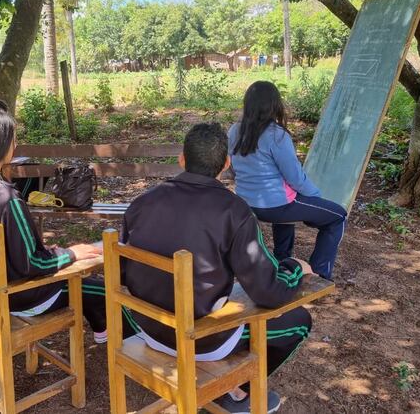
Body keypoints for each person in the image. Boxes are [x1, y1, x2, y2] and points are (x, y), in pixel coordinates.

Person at [123, 122, 314, 413]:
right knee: (299, 320)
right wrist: (295, 269)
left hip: (147, 326)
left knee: (230, 293)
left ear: (182, 159)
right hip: (200, 338)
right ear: (226, 164)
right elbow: (268, 293)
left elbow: (124, 271)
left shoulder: (140, 203)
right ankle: (233, 388)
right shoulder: (234, 211)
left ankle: (232, 388)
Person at [0, 100, 138, 342]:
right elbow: (33, 263)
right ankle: (135, 343)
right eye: (13, 138)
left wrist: (60, 251)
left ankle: (103, 328)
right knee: (101, 289)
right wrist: (71, 254)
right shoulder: (8, 199)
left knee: (87, 279)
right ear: (1, 145)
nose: (15, 144)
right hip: (22, 295)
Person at [228, 81, 347, 280]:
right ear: (275, 105)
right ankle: (319, 273)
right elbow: (295, 178)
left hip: (246, 203)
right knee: (337, 217)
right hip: (276, 206)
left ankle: (282, 260)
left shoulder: (234, 130)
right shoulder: (276, 135)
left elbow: (232, 167)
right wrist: (315, 197)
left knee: (286, 204)